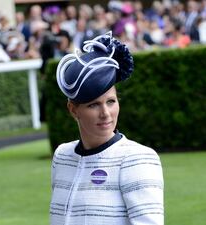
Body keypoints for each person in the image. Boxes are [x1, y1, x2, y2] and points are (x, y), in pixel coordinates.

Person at [50, 31, 164, 225]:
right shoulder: (62, 156)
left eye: (111, 101)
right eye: (93, 104)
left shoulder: (137, 158)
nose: (106, 113)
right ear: (73, 109)